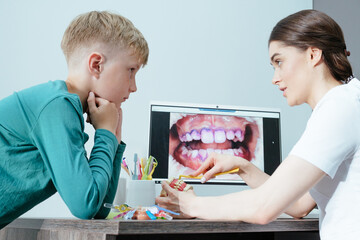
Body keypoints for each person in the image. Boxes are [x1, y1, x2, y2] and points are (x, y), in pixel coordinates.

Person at [156, 9, 359, 240]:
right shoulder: (345, 103)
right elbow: (300, 204)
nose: (275, 77)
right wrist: (244, 167)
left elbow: (264, 207)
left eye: (279, 62)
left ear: (313, 55)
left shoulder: (340, 107)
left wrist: (191, 204)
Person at [0, 11, 148, 229]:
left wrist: (113, 140)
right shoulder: (57, 106)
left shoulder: (65, 109)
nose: (134, 87)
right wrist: (105, 134)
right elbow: (85, 204)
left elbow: (99, 207)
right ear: (96, 64)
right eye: (131, 71)